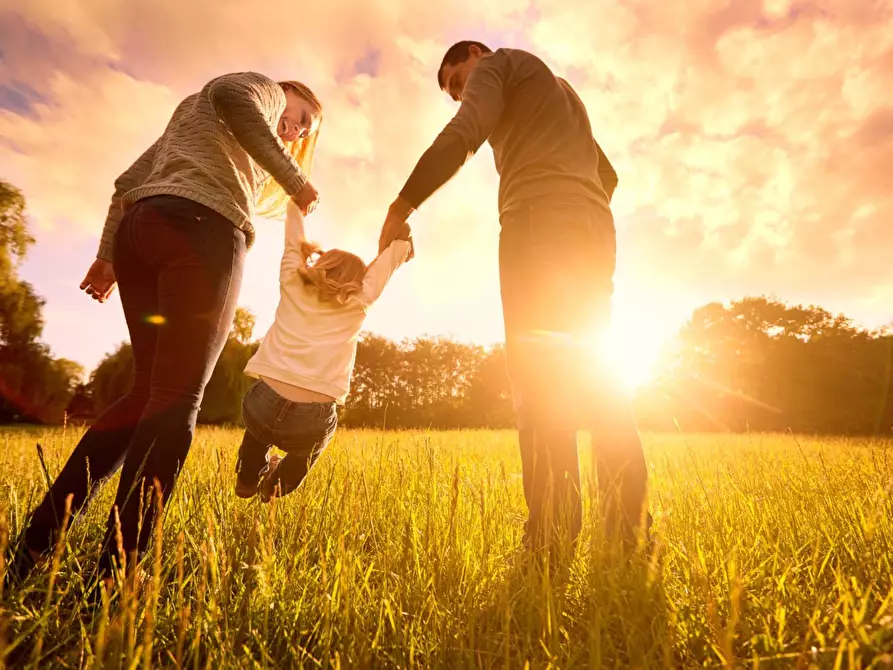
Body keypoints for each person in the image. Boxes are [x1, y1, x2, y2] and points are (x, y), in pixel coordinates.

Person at [9, 72, 324, 585]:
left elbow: (125, 184)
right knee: (177, 401)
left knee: (145, 397)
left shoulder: (192, 120)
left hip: (144, 232)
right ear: (285, 93)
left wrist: (107, 255)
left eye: (303, 133)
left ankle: (33, 548)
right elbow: (232, 94)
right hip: (203, 231)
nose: (295, 131)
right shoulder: (260, 88)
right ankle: (116, 578)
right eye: (301, 118)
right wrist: (296, 180)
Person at [378, 42, 650, 553]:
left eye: (460, 81)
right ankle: (629, 532)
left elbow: (465, 133)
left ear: (477, 55)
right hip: (593, 226)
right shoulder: (560, 90)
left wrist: (403, 204)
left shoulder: (499, 65)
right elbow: (606, 174)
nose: (462, 95)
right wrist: (574, 204)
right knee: (600, 376)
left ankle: (550, 536)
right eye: (455, 91)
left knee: (540, 378)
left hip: (536, 223)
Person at [234, 200, 411, 502]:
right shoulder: (359, 301)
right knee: (309, 449)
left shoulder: (292, 281)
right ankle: (276, 486)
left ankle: (248, 477)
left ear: (321, 264)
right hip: (312, 417)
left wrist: (295, 204)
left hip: (264, 401)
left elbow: (293, 241)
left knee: (259, 431)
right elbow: (387, 265)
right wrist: (401, 243)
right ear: (358, 282)